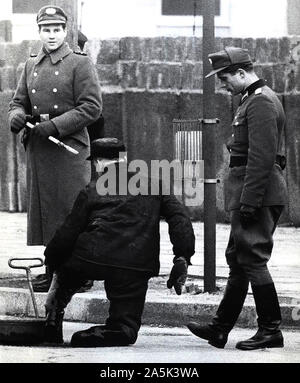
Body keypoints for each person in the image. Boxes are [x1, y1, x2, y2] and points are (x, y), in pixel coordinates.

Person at [43, 138, 195, 347]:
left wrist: (52, 261)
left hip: (91, 257)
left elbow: (67, 234)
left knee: (67, 271)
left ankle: (53, 314)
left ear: (97, 163)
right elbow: (180, 219)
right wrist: (182, 255)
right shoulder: (155, 184)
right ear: (125, 160)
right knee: (126, 324)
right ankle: (119, 328)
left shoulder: (92, 189)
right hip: (135, 263)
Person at [187, 47, 288, 350]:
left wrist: (250, 201)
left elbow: (262, 156)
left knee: (253, 259)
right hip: (250, 191)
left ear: (242, 74)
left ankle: (271, 330)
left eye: (225, 78)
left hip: (257, 192)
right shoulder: (251, 100)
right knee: (239, 260)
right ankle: (219, 329)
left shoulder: (261, 102)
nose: (223, 85)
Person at [8, 5, 102, 292]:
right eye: (46, 30)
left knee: (71, 210)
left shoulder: (79, 63)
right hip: (40, 147)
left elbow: (92, 107)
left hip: (68, 147)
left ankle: (80, 273)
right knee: (48, 212)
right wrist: (15, 116)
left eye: (57, 30)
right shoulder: (31, 64)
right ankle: (53, 271)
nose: (51, 35)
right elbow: (18, 101)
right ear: (39, 32)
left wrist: (57, 125)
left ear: (65, 32)